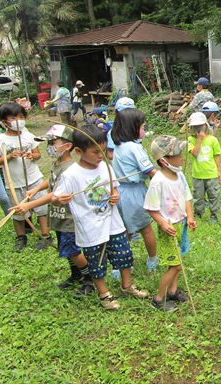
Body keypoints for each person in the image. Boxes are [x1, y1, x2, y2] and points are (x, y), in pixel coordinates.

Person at [53, 124, 149, 310]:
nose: (101, 156)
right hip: (90, 227)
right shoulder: (70, 175)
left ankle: (127, 285)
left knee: (124, 254)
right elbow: (57, 199)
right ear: (79, 151)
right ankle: (105, 294)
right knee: (96, 263)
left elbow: (113, 186)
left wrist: (115, 194)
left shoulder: (105, 166)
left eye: (103, 151)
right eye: (96, 152)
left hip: (113, 222)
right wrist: (59, 200)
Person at [11, 124, 94, 295]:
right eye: (48, 143)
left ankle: (90, 279)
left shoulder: (70, 168)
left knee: (72, 250)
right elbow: (52, 181)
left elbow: (57, 193)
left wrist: (28, 205)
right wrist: (36, 189)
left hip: (70, 218)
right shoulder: (58, 163)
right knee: (66, 249)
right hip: (59, 216)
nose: (49, 147)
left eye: (52, 143)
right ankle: (76, 275)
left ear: (67, 146)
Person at [144, 136, 197, 311]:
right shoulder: (157, 181)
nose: (182, 157)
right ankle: (158, 299)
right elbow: (151, 208)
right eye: (177, 154)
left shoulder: (179, 175)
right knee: (174, 266)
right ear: (164, 161)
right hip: (168, 229)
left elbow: (187, 197)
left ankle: (173, 291)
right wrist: (162, 223)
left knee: (177, 261)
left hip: (180, 224)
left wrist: (189, 217)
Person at [0, 102, 51, 251]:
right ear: (4, 121)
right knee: (18, 212)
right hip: (13, 182)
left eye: (21, 116)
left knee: (41, 208)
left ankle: (45, 235)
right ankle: (21, 237)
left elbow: (38, 154)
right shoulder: (0, 139)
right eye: (13, 117)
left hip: (34, 178)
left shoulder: (29, 135)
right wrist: (9, 156)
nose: (18, 120)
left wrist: (31, 156)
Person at [110, 108, 158, 272]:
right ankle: (153, 260)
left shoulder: (118, 146)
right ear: (133, 128)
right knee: (146, 228)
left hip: (120, 192)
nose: (144, 130)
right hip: (135, 193)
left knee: (124, 231)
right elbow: (150, 171)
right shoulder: (134, 148)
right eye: (142, 127)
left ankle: (119, 266)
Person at [187, 112, 221, 223]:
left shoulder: (212, 140)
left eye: (200, 126)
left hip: (211, 174)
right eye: (195, 127)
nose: (198, 129)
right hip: (198, 175)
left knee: (214, 195)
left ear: (206, 126)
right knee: (198, 197)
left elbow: (217, 156)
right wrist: (199, 140)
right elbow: (195, 153)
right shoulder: (190, 140)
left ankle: (214, 215)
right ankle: (198, 213)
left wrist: (219, 171)